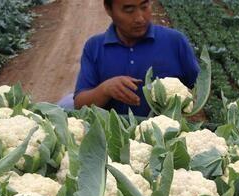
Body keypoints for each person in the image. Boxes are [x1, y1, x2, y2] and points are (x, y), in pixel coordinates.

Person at [58, 0, 200, 117]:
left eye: (144, 7)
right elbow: (79, 104)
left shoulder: (175, 41)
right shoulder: (94, 47)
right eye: (129, 10)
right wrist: (105, 89)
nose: (139, 18)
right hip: (113, 139)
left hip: (167, 140)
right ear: (108, 9)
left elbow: (198, 89)